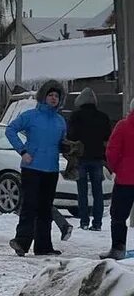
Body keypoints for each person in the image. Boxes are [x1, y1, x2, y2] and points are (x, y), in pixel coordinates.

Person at [6, 80, 67, 257]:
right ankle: (21, 242)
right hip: (32, 167)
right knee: (29, 205)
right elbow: (11, 130)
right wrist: (22, 150)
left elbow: (62, 143)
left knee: (45, 208)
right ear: (43, 96)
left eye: (57, 96)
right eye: (50, 95)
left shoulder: (60, 121)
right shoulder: (31, 116)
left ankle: (43, 246)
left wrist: (69, 150)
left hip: (51, 169)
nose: (53, 98)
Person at [68, 87, 112, 231]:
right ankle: (97, 223)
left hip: (80, 158)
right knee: (97, 191)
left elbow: (71, 136)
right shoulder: (103, 117)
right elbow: (107, 137)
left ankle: (84, 221)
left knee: (82, 191)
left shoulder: (76, 116)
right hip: (97, 158)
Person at [101, 99, 134, 260]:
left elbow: (111, 151)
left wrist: (116, 169)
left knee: (118, 215)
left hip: (125, 179)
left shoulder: (123, 126)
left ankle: (118, 249)